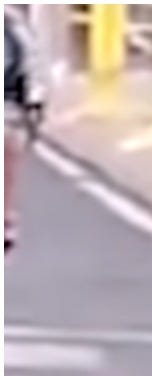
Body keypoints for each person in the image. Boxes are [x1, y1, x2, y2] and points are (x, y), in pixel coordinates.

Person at [3, 3, 42, 252]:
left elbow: (32, 69)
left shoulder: (13, 27)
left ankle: (5, 217)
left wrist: (34, 105)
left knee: (9, 139)